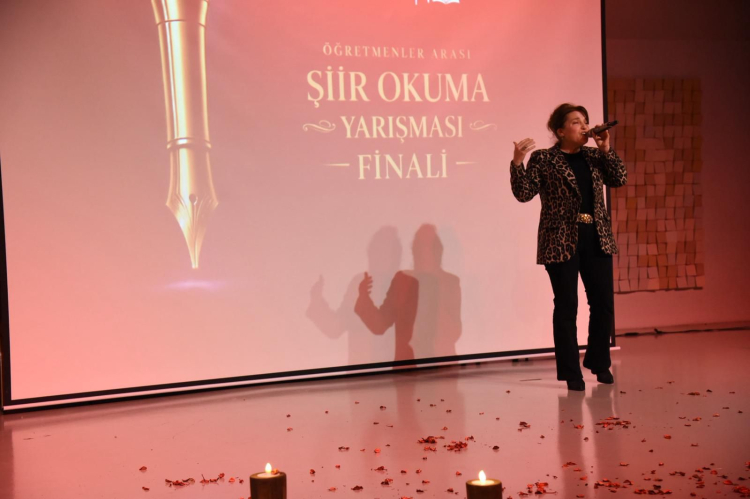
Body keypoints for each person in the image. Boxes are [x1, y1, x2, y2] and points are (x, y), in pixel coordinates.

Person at [509, 103, 627, 391]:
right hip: (560, 239)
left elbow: (619, 179)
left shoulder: (594, 156)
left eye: (585, 121)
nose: (584, 126)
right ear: (560, 131)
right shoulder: (544, 158)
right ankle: (571, 372)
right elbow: (524, 193)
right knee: (566, 305)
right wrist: (517, 162)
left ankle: (599, 361)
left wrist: (605, 148)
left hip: (596, 236)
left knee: (602, 302)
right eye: (576, 122)